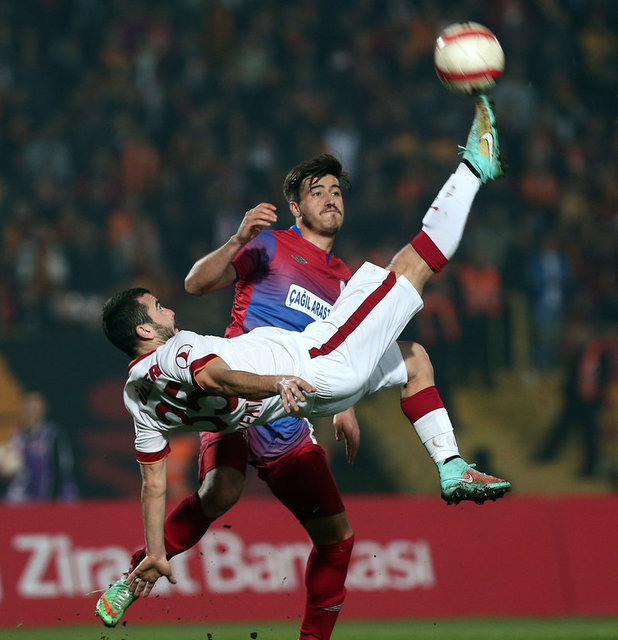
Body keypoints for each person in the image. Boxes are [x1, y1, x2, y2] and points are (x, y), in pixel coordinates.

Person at [97, 97, 511, 632]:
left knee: (413, 363)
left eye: (337, 190)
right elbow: (197, 288)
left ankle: (450, 464)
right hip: (272, 383)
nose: (331, 197)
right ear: (295, 206)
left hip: (293, 395)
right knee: (412, 267)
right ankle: (474, 168)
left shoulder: (342, 282)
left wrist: (343, 405)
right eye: (318, 191)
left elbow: (154, 481)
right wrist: (239, 240)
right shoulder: (270, 247)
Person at [0, 391, 78, 502]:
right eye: (27, 407)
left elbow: (64, 471)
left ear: (44, 409)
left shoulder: (54, 436)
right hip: (20, 501)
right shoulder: (15, 437)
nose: (31, 412)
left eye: (35, 408)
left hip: (48, 501)